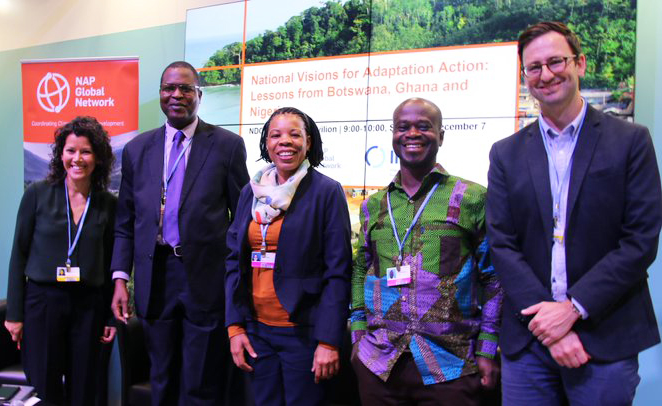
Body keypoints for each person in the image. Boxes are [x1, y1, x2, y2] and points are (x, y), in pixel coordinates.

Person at [486, 21, 661, 405]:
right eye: (534, 67)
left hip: (606, 335)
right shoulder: (506, 153)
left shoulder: (630, 141)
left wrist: (572, 310)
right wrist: (550, 326)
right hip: (528, 340)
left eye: (556, 61)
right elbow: (502, 242)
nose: (546, 74)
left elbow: (640, 241)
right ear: (525, 75)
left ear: (579, 63)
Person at [110, 61, 249, 405]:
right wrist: (119, 278)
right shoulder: (137, 149)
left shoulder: (227, 146)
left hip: (204, 279)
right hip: (155, 277)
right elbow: (125, 221)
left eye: (185, 88)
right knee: (162, 376)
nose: (176, 95)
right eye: (169, 88)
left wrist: (232, 275)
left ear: (199, 95)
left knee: (200, 380)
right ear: (160, 94)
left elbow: (242, 217)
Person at [350, 98, 502, 406]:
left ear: (441, 136)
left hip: (450, 365)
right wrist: (357, 332)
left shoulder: (472, 198)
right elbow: (360, 268)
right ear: (392, 135)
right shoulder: (373, 206)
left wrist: (487, 346)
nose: (412, 133)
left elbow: (494, 278)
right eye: (403, 127)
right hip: (380, 363)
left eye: (424, 126)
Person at [225, 107, 352, 406]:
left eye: (295, 134)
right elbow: (233, 261)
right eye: (276, 135)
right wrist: (235, 327)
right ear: (266, 144)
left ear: (308, 142)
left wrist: (329, 340)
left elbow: (338, 271)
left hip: (304, 334)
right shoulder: (251, 192)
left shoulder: (326, 191)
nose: (285, 141)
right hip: (256, 331)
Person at [5, 116, 117, 405]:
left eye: (86, 151)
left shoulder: (107, 203)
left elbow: (108, 263)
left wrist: (108, 317)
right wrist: (14, 315)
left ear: (98, 158)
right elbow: (18, 255)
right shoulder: (37, 194)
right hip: (42, 303)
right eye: (71, 151)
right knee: (44, 386)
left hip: (88, 306)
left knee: (85, 386)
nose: (77, 159)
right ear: (61, 154)